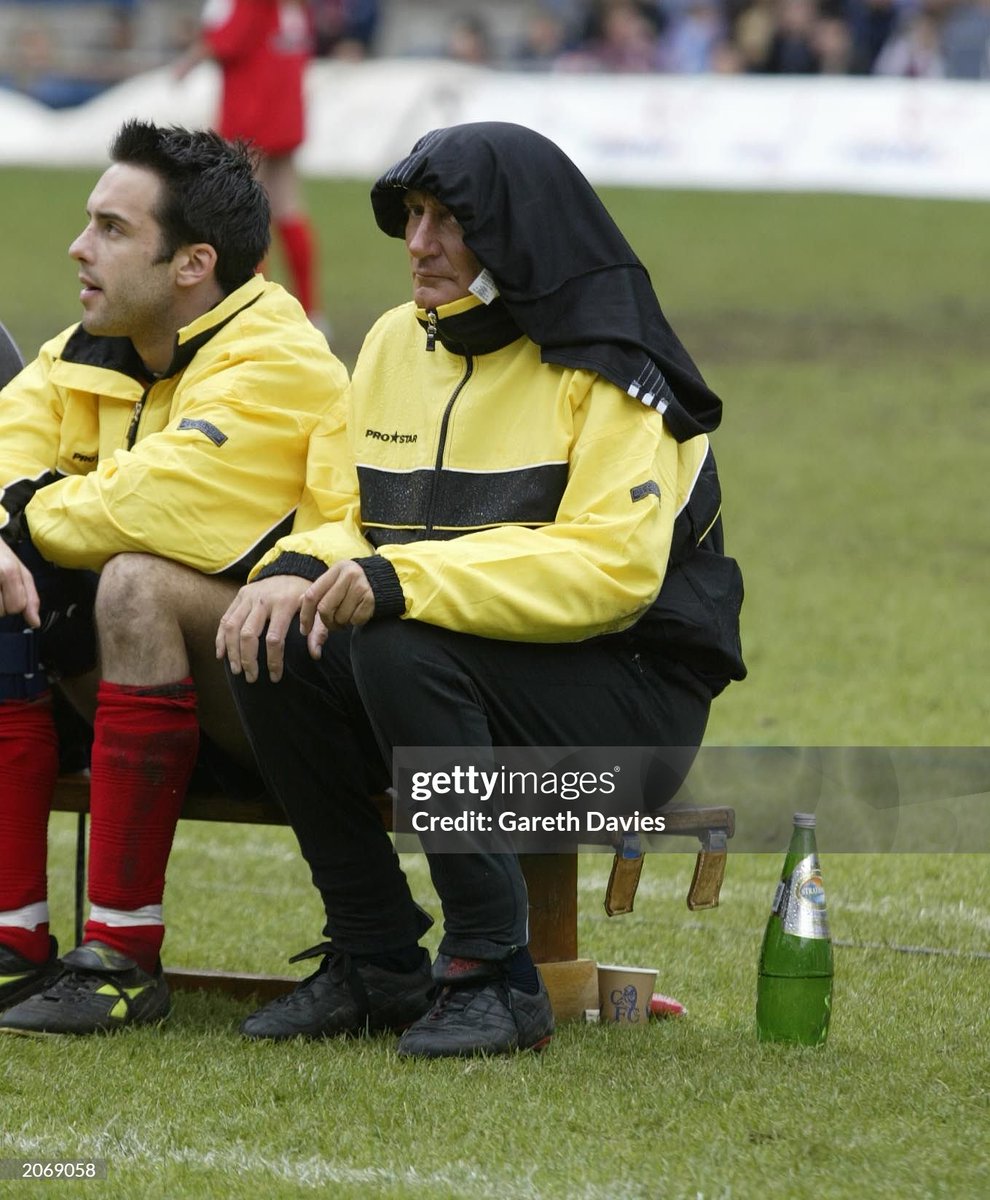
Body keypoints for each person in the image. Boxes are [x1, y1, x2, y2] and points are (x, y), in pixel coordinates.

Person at [217, 121, 746, 1058]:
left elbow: (612, 574)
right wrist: (293, 571)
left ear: (516, 233)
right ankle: (375, 956)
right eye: (413, 217)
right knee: (272, 639)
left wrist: (399, 581)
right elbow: (342, 511)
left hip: (630, 708)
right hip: (459, 678)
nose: (418, 244)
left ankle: (493, 974)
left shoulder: (613, 368)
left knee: (395, 635)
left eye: (449, 221)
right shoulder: (389, 343)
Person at [0, 119, 347, 1035]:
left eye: (113, 229)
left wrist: (13, 522)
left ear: (193, 264)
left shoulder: (277, 358)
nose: (79, 247)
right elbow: (7, 441)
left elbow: (146, 508)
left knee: (135, 581)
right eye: (89, 222)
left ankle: (121, 956)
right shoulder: (89, 344)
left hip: (287, 709)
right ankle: (14, 942)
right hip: (137, 686)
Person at [174, 1, 327, 332]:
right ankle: (311, 310)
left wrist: (189, 59)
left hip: (253, 113)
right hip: (285, 112)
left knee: (244, 212)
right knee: (288, 208)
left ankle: (253, 309)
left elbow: (228, 41)